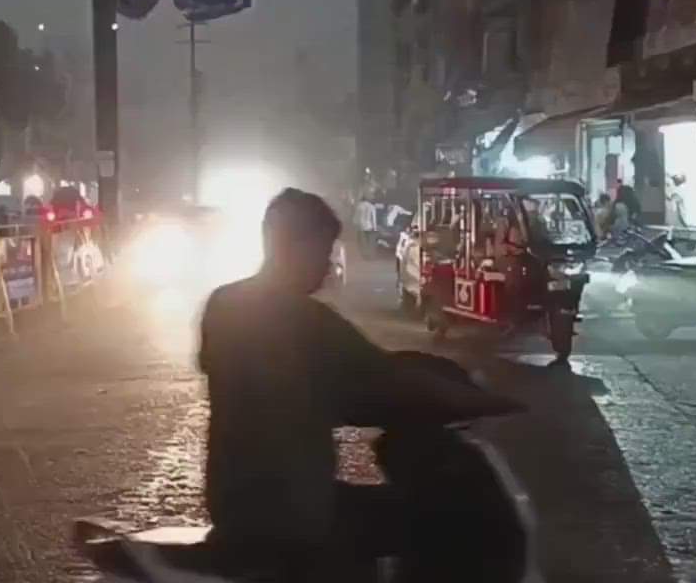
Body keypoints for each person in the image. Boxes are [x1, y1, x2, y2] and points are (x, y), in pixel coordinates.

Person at [198, 188, 523, 579]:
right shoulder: (309, 321)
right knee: (446, 522)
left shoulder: (224, 304)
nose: (328, 265)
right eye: (324, 250)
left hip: (233, 503)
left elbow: (346, 378)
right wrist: (484, 401)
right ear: (297, 246)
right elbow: (386, 380)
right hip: (295, 514)